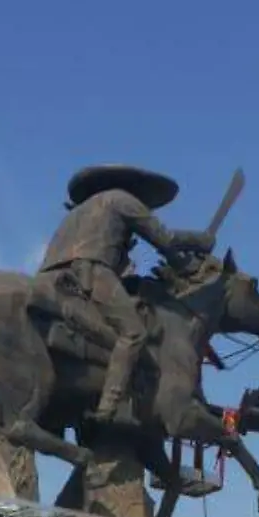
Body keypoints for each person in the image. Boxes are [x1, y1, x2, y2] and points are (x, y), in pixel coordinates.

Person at [37, 164, 215, 428]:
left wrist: (181, 264)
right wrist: (201, 240)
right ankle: (110, 406)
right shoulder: (123, 199)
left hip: (50, 276)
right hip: (91, 271)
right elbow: (164, 238)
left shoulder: (80, 211)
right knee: (133, 333)